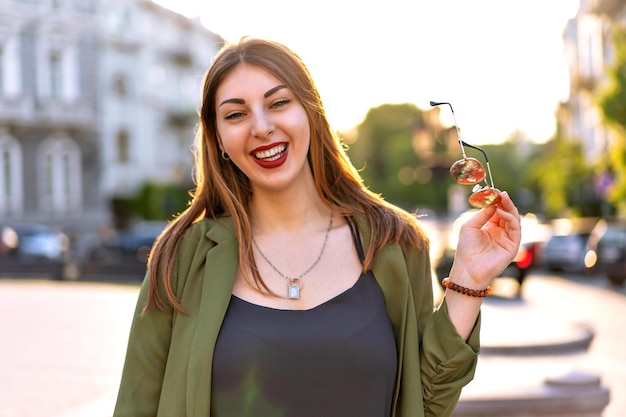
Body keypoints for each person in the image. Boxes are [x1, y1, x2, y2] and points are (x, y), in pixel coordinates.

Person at [112, 36, 521, 417]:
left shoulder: (394, 244)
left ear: (310, 110)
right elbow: (136, 404)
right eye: (235, 114)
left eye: (278, 103)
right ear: (218, 138)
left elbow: (424, 404)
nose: (261, 126)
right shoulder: (182, 256)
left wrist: (468, 278)